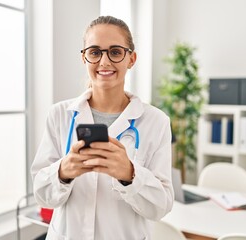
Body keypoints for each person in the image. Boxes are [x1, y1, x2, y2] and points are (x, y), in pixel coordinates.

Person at [31, 15, 174, 240]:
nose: (104, 62)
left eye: (115, 52)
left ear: (131, 59)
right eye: (95, 52)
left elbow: (160, 207)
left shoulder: (156, 122)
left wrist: (130, 174)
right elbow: (41, 195)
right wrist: (63, 172)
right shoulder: (59, 114)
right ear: (84, 58)